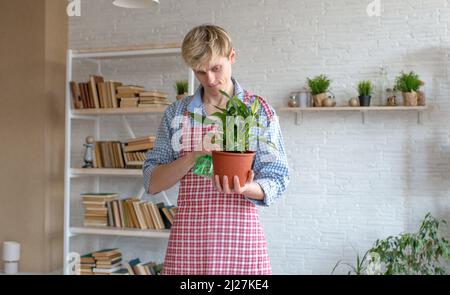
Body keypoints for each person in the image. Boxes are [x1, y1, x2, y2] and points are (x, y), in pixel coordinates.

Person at [143, 24, 289, 275]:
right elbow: (152, 182)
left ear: (231, 57)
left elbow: (277, 178)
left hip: (241, 247)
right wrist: (193, 156)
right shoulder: (177, 114)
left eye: (216, 68)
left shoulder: (258, 110)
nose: (209, 80)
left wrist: (245, 187)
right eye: (200, 72)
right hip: (188, 247)